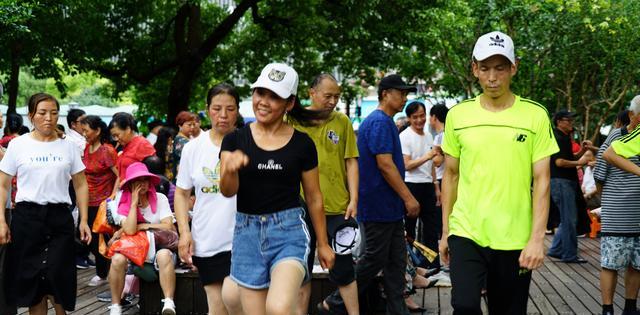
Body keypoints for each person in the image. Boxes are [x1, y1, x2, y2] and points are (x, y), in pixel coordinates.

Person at [439, 31, 559, 314]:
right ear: (474, 69)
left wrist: (536, 239)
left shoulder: (535, 116)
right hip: (467, 231)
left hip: (514, 236)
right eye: (485, 68)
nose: (492, 77)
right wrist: (446, 232)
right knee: (465, 306)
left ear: (513, 67)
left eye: (500, 68)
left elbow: (542, 181)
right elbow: (451, 176)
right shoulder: (458, 116)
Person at [219, 63, 334, 315]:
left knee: (279, 308)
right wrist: (229, 169)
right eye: (261, 93)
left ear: (289, 103)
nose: (264, 101)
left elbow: (314, 197)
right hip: (247, 235)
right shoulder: (235, 140)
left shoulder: (303, 144)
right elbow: (228, 191)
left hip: (289, 232)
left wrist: (324, 244)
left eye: (274, 97)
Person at [323, 74, 419, 315]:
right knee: (373, 259)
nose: (405, 98)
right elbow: (385, 165)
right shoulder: (378, 122)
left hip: (390, 208)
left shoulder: (385, 121)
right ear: (385, 93)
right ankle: (334, 301)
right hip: (378, 206)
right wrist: (409, 197)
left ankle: (398, 311)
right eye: (401, 93)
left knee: (396, 263)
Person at [0, 92, 91, 314]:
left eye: (53, 113)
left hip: (59, 218)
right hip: (27, 219)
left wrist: (84, 220)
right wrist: (1, 220)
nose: (48, 118)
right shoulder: (18, 145)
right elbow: (3, 184)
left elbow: (81, 184)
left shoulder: (68, 146)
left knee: (58, 277)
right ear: (31, 115)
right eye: (42, 113)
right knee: (33, 282)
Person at [288, 73, 360, 315]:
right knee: (302, 268)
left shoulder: (342, 122)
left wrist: (354, 199)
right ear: (312, 93)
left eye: (336, 96)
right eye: (328, 95)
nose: (332, 101)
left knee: (344, 268)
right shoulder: (293, 120)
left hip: (337, 207)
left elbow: (351, 162)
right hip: (300, 208)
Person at [175, 83, 243, 315]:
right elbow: (182, 193)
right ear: (207, 109)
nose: (223, 116)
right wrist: (185, 232)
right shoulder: (193, 148)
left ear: (238, 110)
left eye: (230, 109)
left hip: (245, 239)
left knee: (237, 302)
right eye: (216, 108)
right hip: (207, 238)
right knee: (216, 307)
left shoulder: (249, 144)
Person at [107, 162, 176, 315]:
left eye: (145, 180)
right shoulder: (123, 203)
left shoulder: (160, 198)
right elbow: (130, 230)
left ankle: (169, 302)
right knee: (117, 259)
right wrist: (133, 204)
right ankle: (116, 305)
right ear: (130, 184)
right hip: (134, 252)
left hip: (159, 247)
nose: (142, 184)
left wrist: (144, 226)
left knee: (164, 255)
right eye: (137, 181)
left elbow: (168, 226)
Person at [594, 97, 640, 315]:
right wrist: (608, 202)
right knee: (611, 262)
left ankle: (630, 306)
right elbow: (600, 173)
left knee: (637, 263)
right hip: (618, 209)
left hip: (638, 212)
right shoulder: (618, 136)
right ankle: (607, 308)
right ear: (632, 115)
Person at [547, 110, 593, 263]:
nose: (571, 123)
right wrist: (580, 163)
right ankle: (569, 254)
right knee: (569, 220)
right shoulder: (557, 137)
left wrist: (583, 151)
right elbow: (559, 162)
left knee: (567, 219)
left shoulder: (565, 137)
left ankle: (555, 249)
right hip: (560, 181)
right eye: (568, 120)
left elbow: (570, 158)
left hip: (566, 181)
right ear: (559, 121)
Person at [80, 115, 119, 287]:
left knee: (99, 239)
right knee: (83, 236)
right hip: (86, 201)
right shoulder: (87, 147)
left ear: (97, 131)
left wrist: (112, 195)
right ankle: (104, 270)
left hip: (102, 203)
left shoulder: (107, 150)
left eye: (86, 131)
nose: (84, 134)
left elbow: (120, 175)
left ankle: (103, 273)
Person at [399, 102, 438, 257]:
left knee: (431, 227)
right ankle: (411, 263)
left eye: (422, 116)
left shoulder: (429, 135)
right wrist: (427, 157)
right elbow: (406, 165)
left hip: (428, 185)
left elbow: (432, 165)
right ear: (409, 118)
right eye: (415, 117)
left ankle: (432, 264)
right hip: (411, 185)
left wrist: (436, 187)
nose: (419, 120)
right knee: (409, 228)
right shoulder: (405, 136)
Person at [109, 112, 156, 184]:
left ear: (128, 129)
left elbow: (151, 174)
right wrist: (114, 194)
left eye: (117, 135)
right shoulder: (126, 145)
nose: (116, 139)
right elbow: (120, 175)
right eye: (114, 136)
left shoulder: (143, 144)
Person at [172, 111, 196, 179]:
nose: (192, 127)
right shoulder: (180, 141)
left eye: (193, 124)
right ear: (180, 125)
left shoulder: (190, 138)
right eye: (189, 125)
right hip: (182, 178)